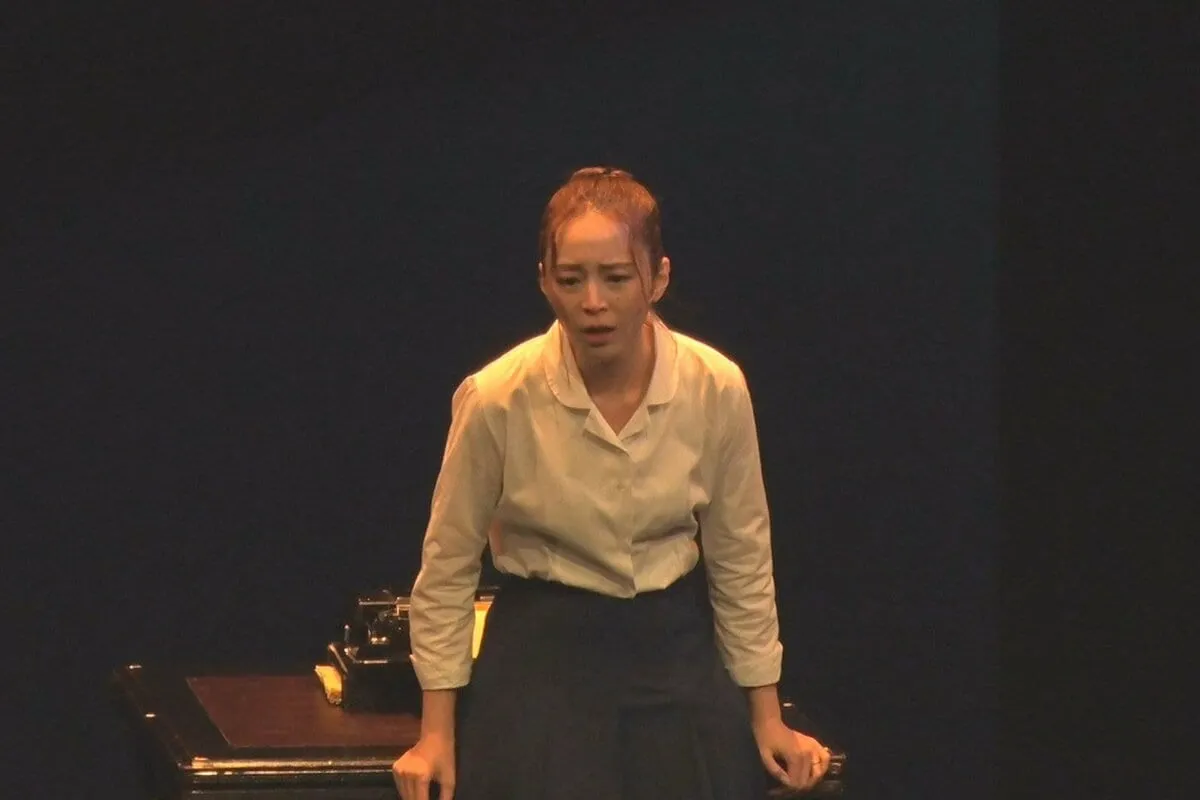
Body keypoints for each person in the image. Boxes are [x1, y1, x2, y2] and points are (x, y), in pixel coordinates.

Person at [392, 167, 830, 800]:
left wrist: (766, 715)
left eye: (617, 278)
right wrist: (436, 734)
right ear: (545, 281)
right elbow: (448, 565)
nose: (593, 301)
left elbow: (741, 555)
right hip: (544, 653)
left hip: (672, 649)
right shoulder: (497, 397)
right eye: (572, 279)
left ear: (658, 278)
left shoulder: (715, 385)